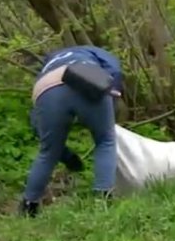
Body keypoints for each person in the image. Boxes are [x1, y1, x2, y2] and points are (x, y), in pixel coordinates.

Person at [20, 45, 124, 217]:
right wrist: (110, 103)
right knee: (105, 140)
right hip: (87, 75)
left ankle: (29, 205)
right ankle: (102, 198)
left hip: (46, 89)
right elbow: (114, 68)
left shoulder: (47, 66)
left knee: (48, 152)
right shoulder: (90, 51)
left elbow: (37, 127)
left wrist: (68, 158)